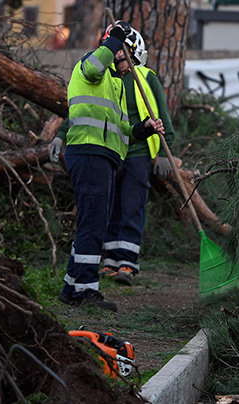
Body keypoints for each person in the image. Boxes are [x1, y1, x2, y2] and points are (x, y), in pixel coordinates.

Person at [57, 21, 164, 310]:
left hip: (102, 157)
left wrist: (144, 129)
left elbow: (122, 129)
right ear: (120, 52)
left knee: (92, 222)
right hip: (90, 153)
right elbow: (94, 66)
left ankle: (71, 286)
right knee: (93, 224)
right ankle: (87, 292)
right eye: (130, 59)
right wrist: (114, 40)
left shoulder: (114, 84)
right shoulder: (92, 68)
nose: (130, 68)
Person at [100, 24, 176, 286]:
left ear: (133, 50)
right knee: (110, 205)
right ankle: (109, 261)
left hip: (138, 152)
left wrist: (168, 153)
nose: (117, 55)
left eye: (121, 50)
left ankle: (127, 263)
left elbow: (163, 116)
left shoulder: (146, 77)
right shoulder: (106, 79)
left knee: (132, 205)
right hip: (112, 150)